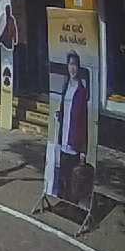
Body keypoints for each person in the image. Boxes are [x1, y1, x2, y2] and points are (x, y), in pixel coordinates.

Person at [54, 51, 89, 200]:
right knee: (63, 177)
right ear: (67, 66)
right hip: (63, 139)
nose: (72, 68)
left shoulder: (81, 91)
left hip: (74, 142)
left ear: (78, 67)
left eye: (75, 65)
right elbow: (65, 110)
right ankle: (63, 203)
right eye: (70, 64)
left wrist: (83, 150)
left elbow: (84, 120)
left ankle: (72, 205)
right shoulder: (65, 87)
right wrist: (60, 114)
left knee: (73, 180)